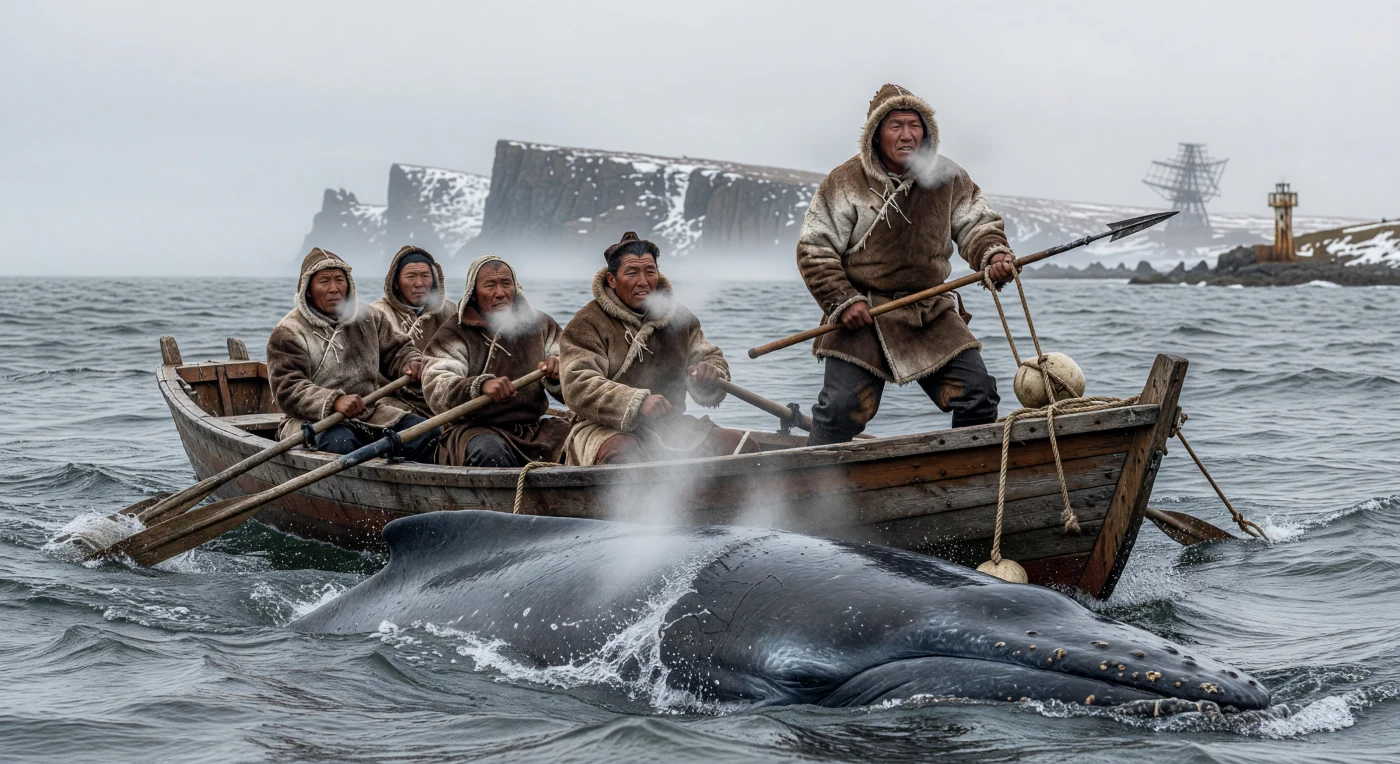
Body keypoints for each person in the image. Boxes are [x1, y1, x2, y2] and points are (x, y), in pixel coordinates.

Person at [796, 83, 1017, 445]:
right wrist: (842, 300)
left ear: (927, 132)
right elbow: (815, 248)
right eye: (895, 125)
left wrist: (994, 254)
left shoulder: (948, 177)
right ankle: (814, 492)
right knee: (840, 409)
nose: (907, 135)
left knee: (979, 395)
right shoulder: (845, 181)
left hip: (930, 310)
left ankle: (965, 487)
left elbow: (977, 223)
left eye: (914, 125)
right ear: (876, 134)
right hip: (862, 314)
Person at [558, 232, 759, 465]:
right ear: (612, 280)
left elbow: (710, 356)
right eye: (632, 273)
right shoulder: (588, 323)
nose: (643, 281)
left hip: (671, 425)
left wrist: (710, 372)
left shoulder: (680, 318)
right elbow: (576, 383)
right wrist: (635, 401)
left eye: (650, 272)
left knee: (743, 448)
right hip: (602, 428)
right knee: (624, 455)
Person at [267, 248, 438, 462]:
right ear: (307, 289)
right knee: (342, 445)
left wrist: (410, 361)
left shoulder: (369, 317)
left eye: (339, 280)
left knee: (428, 435)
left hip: (371, 413)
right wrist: (334, 401)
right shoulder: (289, 331)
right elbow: (288, 388)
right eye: (324, 281)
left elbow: (397, 349)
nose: (334, 289)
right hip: (315, 420)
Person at [422, 255, 570, 468]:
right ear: (473, 293)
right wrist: (478, 386)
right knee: (490, 453)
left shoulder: (541, 325)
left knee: (578, 441)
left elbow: (576, 377)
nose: (500, 293)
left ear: (515, 288)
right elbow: (436, 382)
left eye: (506, 284)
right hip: (475, 430)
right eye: (490, 285)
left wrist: (559, 374)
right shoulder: (455, 331)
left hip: (533, 429)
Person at [370, 245, 457, 415]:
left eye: (425, 276)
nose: (419, 283)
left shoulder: (450, 312)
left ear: (434, 280)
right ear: (395, 283)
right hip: (395, 397)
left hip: (445, 394)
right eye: (411, 276)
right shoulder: (378, 314)